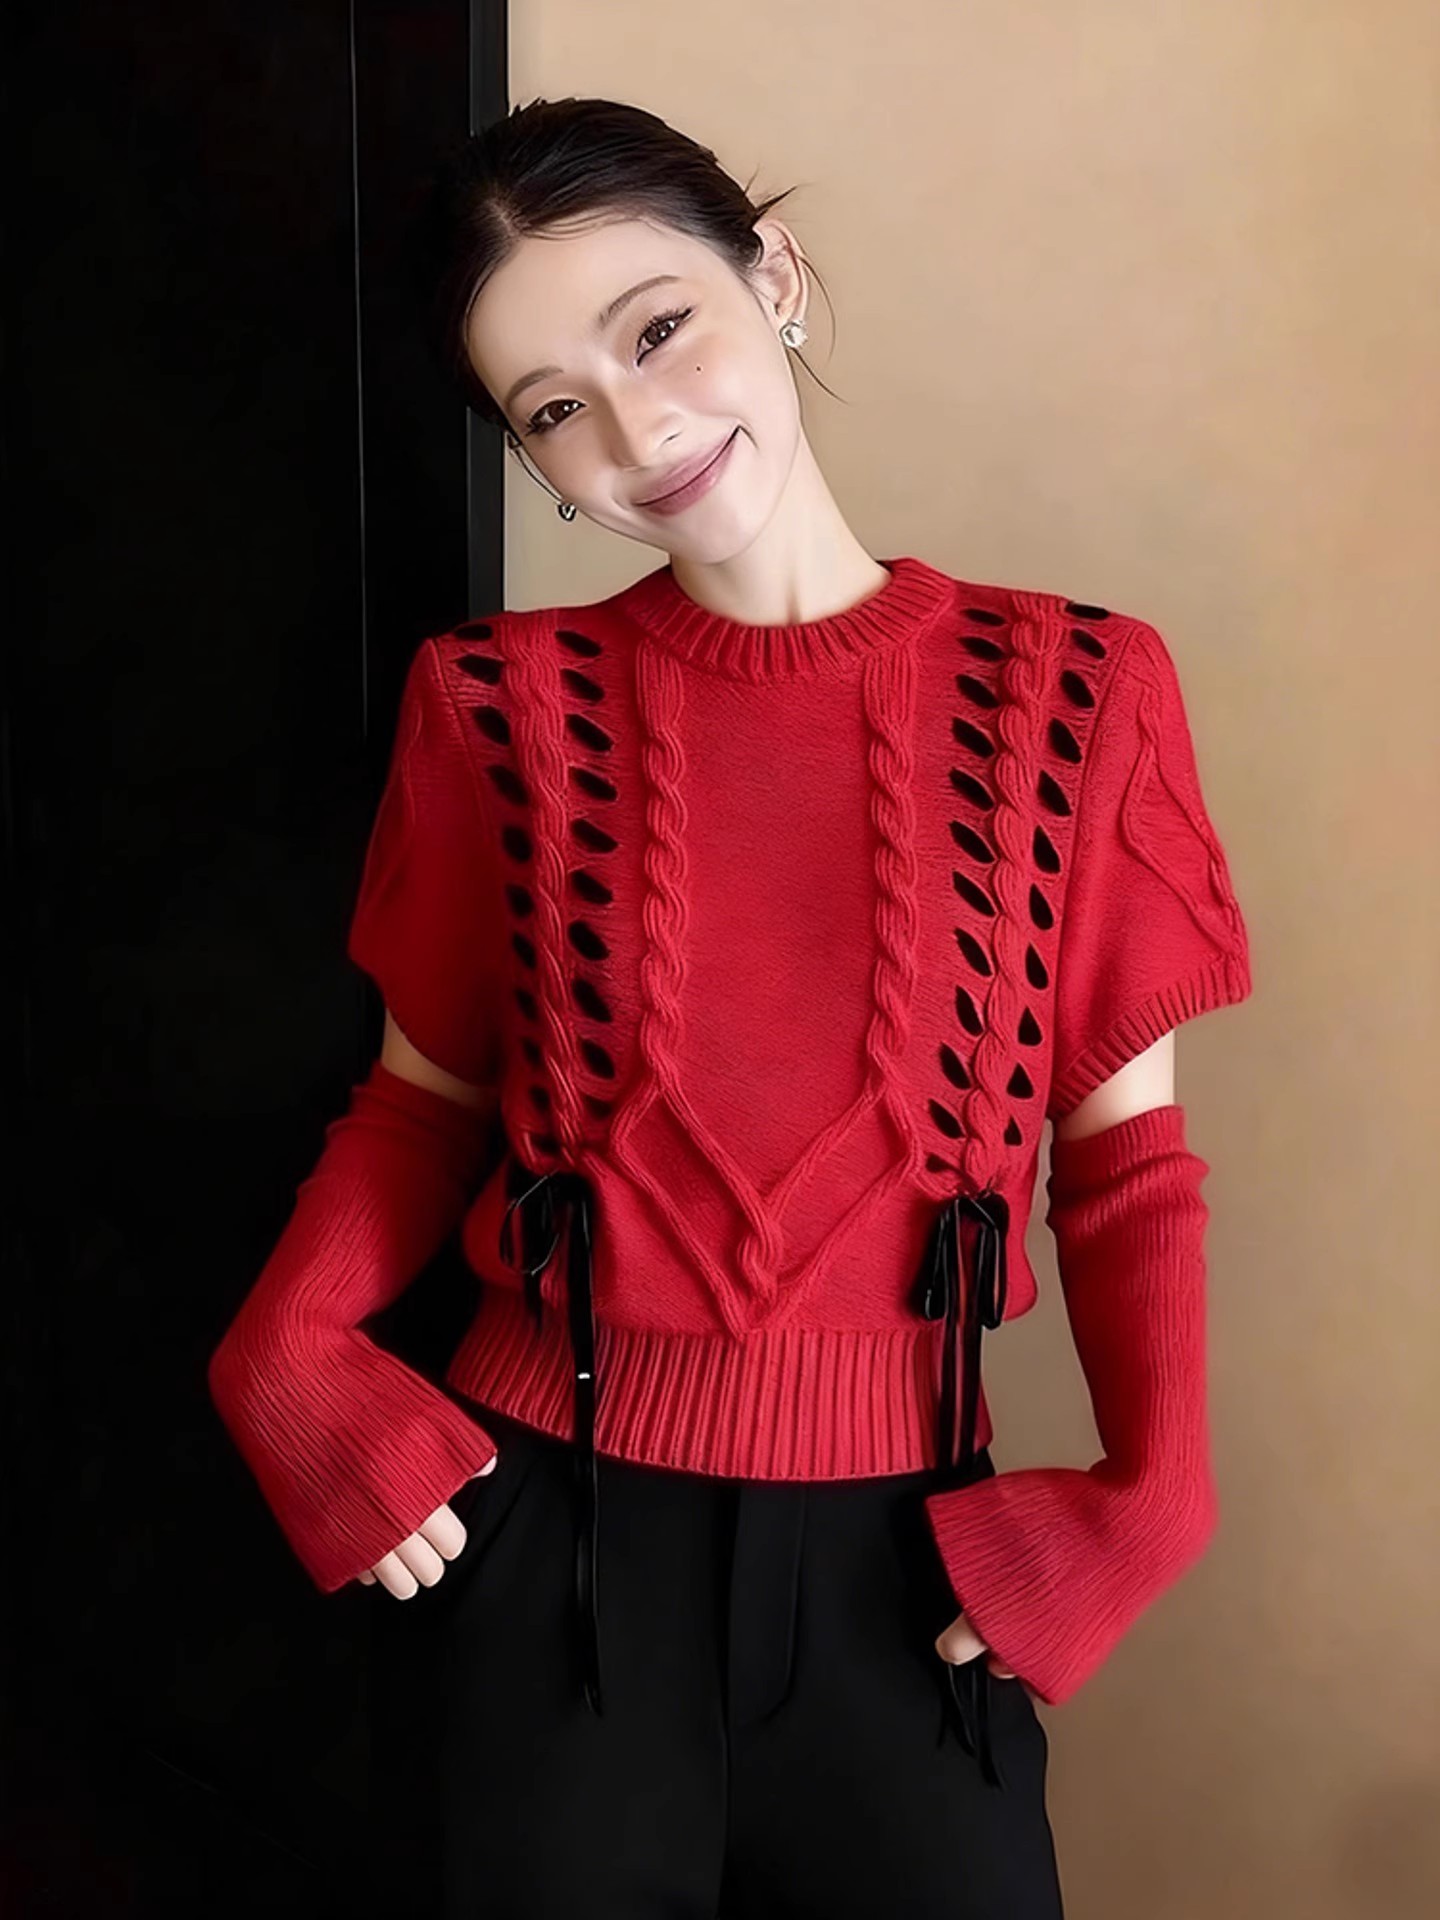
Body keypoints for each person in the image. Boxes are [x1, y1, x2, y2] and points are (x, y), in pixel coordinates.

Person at [208, 95, 1254, 1920]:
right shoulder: (498, 710)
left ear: (772, 276)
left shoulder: (1079, 694)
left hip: (910, 1563)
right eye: (554, 410)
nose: (638, 431)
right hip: (550, 1548)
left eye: (656, 328)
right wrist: (282, 1353)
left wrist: (1157, 1495)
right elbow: (420, 1108)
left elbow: (1126, 1172)